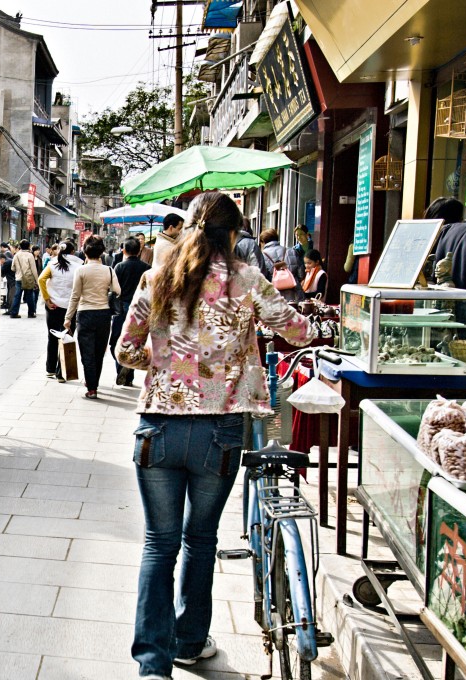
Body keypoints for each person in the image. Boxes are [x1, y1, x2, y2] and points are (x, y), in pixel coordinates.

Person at [114, 191, 315, 680]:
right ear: (233, 235)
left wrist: (165, 366)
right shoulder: (248, 280)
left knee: (159, 544)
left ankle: (152, 665)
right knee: (200, 539)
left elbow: (125, 351)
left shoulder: (156, 278)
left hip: (158, 427)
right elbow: (296, 330)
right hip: (219, 432)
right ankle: (188, 641)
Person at [64, 235, 120, 399]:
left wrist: (68, 318)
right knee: (98, 352)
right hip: (103, 315)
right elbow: (117, 291)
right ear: (102, 252)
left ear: (85, 252)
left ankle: (92, 387)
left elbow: (75, 296)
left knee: (87, 353)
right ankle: (93, 382)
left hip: (85, 314)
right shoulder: (109, 270)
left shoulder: (81, 270)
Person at [37, 240, 83, 381]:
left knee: (52, 337)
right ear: (72, 252)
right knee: (66, 338)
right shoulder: (78, 266)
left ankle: (50, 369)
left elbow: (41, 279)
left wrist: (47, 298)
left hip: (53, 306)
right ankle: (61, 373)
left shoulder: (53, 264)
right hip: (70, 308)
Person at [110, 237, 150, 387]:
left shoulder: (119, 267)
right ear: (139, 250)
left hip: (122, 307)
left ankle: (121, 366)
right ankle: (129, 374)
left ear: (124, 250)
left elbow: (114, 289)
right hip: (140, 310)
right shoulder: (146, 268)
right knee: (135, 342)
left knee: (117, 340)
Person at [260, 228, 302, 301]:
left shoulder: (261, 256)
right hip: (294, 295)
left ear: (263, 242)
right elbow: (301, 275)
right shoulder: (292, 251)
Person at [10, 238, 40, 318]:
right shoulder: (30, 255)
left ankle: (14, 313)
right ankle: (31, 313)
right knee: (29, 296)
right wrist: (37, 280)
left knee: (17, 296)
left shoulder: (17, 255)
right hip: (28, 279)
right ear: (29, 246)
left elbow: (12, 268)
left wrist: (18, 271)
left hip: (19, 278)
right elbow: (34, 269)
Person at [1, 243, 15, 311]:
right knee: (10, 295)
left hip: (12, 281)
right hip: (12, 281)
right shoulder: (9, 260)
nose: (0, 263)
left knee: (11, 296)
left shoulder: (6, 262)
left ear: (2, 259)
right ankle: (10, 310)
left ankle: (11, 310)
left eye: (0, 261)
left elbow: (1, 272)